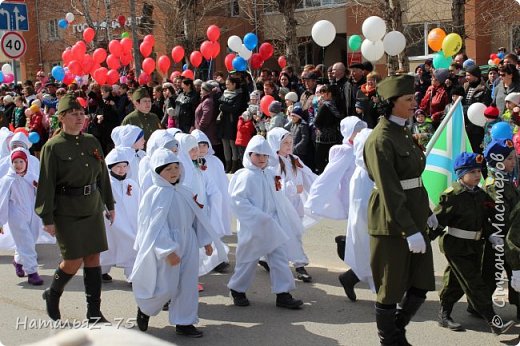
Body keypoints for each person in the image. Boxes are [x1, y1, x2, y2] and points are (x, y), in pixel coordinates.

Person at [363, 75, 435, 345]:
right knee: (390, 288)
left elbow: (415, 180)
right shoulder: (380, 140)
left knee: (421, 283)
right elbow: (391, 190)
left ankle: (397, 328)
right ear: (391, 103)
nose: (414, 103)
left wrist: (427, 212)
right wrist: (410, 229)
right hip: (392, 223)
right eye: (408, 100)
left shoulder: (402, 131)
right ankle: (390, 339)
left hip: (414, 217)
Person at [35, 94, 115, 322]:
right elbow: (47, 182)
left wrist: (109, 204)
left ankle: (94, 312)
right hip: (66, 210)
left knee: (93, 258)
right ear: (61, 118)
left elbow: (103, 176)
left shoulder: (91, 141)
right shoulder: (53, 147)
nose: (80, 117)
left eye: (81, 113)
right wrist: (47, 217)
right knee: (73, 259)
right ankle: (53, 293)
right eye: (74, 114)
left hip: (91, 206)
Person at [130, 148, 214, 337]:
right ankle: (146, 308)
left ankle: (184, 321)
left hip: (189, 242)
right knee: (166, 285)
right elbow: (154, 226)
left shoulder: (186, 191)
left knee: (188, 284)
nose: (174, 172)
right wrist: (167, 250)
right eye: (168, 169)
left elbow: (197, 218)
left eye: (176, 167)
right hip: (168, 246)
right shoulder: (154, 194)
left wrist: (205, 240)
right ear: (157, 172)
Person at [433, 152, 514, 334]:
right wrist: (422, 239)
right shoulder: (453, 196)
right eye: (473, 172)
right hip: (457, 246)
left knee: (455, 281)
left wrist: (492, 234)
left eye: (479, 171)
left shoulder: (480, 194)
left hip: (475, 246)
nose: (478, 175)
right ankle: (494, 322)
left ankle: (444, 314)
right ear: (461, 174)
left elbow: (485, 219)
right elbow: (437, 221)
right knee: (474, 283)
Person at [227, 135, 304, 309]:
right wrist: (259, 218)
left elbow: (278, 197)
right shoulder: (246, 176)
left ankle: (283, 294)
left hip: (273, 224)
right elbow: (238, 202)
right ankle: (237, 289)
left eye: (265, 155)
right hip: (254, 226)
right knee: (248, 260)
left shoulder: (270, 174)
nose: (261, 159)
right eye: (257, 155)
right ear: (249, 155)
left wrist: (283, 218)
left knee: (279, 258)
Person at [267, 127, 317, 282]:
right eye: (285, 143)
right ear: (275, 143)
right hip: (282, 207)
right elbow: (276, 184)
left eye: (291, 142)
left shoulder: (294, 159)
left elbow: (308, 174)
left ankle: (266, 257)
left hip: (296, 205)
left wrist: (320, 189)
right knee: (288, 235)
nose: (289, 146)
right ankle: (299, 265)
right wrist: (294, 188)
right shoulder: (272, 162)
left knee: (295, 234)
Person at [482, 139, 520, 318]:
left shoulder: (506, 179)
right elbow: (502, 215)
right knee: (493, 275)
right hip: (500, 238)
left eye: (514, 158)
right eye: (509, 159)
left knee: (512, 272)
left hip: (510, 237)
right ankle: (479, 307)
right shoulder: (495, 184)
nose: (513, 162)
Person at [338, 128, 374, 301]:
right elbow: (361, 206)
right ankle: (386, 301)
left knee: (370, 260)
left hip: (377, 223)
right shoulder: (362, 175)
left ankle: (349, 278)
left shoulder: (373, 170)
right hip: (368, 224)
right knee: (373, 259)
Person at [0, 148, 43, 285]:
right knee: (26, 241)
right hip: (16, 215)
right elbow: (2, 201)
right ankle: (32, 272)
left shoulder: (31, 177)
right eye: (15, 162)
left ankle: (18, 261)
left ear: (26, 162)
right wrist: (0, 221)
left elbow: (41, 193)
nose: (18, 165)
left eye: (21, 161)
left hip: (32, 213)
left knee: (32, 238)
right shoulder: (8, 180)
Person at [100, 148, 139, 282]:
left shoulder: (131, 183)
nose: (122, 170)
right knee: (108, 247)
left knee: (131, 245)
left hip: (129, 222)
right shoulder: (107, 184)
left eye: (124, 166)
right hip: (111, 222)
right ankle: (101, 270)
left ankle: (133, 276)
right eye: (118, 167)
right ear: (110, 167)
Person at [218, 76, 248, 173]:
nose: (226, 86)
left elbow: (235, 108)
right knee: (225, 144)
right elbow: (220, 102)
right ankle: (228, 165)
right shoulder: (224, 93)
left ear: (234, 84)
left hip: (231, 122)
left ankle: (235, 165)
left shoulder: (239, 94)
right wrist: (225, 106)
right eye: (226, 84)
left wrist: (224, 107)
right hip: (223, 121)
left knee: (232, 144)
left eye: (228, 84)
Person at [314, 84, 343, 174]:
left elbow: (316, 121)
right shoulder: (336, 105)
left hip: (322, 138)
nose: (321, 95)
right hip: (333, 137)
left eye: (324, 93)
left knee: (320, 160)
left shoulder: (324, 106)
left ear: (329, 94)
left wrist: (320, 129)